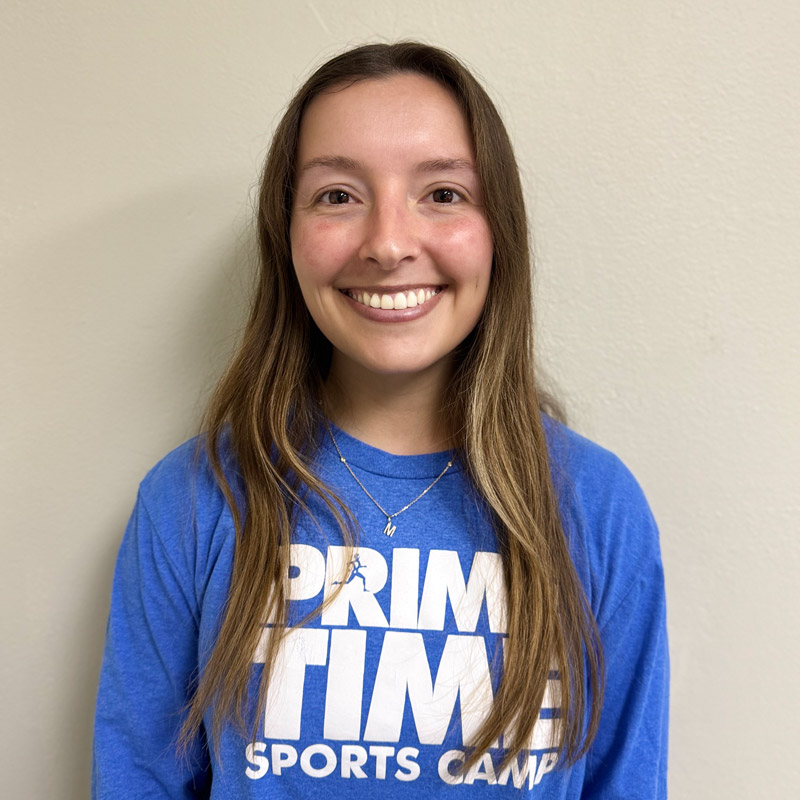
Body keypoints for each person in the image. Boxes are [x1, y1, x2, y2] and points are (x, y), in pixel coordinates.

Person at [92, 42, 668, 798]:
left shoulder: (597, 505)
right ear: (285, 233)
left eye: (443, 193)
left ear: (498, 229)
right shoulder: (195, 499)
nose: (389, 244)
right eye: (338, 196)